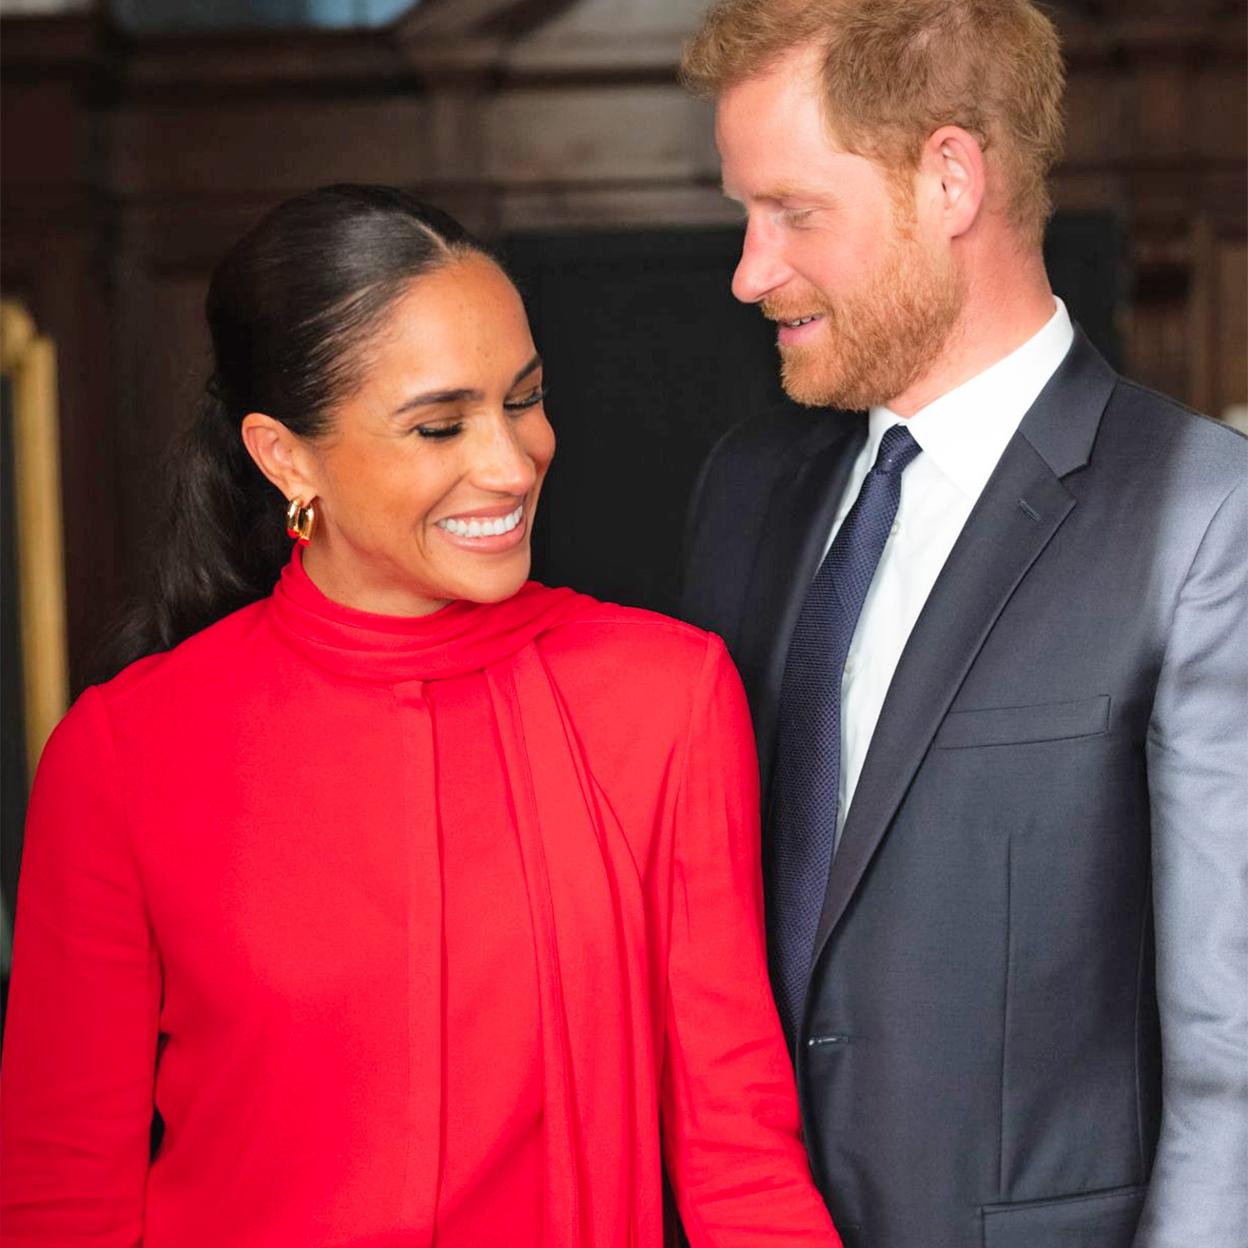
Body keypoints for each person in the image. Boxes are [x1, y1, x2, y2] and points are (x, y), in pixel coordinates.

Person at [0, 184, 841, 1248]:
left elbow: (740, 1164)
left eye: (524, 399)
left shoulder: (667, 699)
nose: (511, 460)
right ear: (283, 456)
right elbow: (64, 1193)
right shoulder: (123, 755)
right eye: (439, 424)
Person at [678, 2, 1248, 1246]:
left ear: (949, 179)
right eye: (744, 212)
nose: (747, 269)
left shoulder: (1206, 518)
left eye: (793, 212)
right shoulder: (745, 487)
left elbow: (1234, 1065)